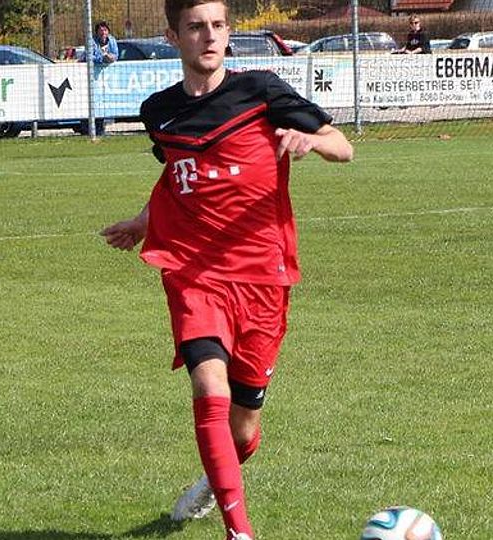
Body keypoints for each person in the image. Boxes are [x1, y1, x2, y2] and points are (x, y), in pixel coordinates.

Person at [100, 0, 353, 537]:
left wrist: (311, 140)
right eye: (196, 27)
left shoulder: (260, 90)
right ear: (174, 36)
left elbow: (343, 146)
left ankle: (215, 481)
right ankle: (241, 531)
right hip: (192, 270)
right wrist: (145, 221)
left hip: (262, 277)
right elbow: (178, 174)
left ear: (229, 32)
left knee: (243, 430)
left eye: (217, 26)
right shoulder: (159, 111)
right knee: (207, 383)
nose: (209, 36)